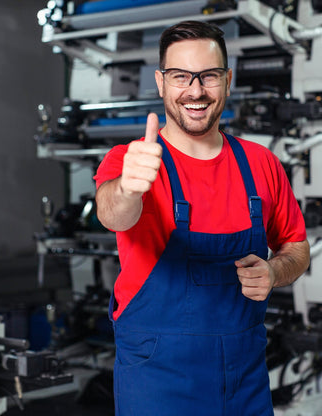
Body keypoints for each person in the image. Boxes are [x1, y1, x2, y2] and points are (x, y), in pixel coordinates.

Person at [94, 20, 310, 416]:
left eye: (208, 76)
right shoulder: (133, 161)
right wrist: (127, 188)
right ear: (161, 83)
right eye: (180, 77)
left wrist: (274, 273)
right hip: (159, 380)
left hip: (245, 378)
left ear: (227, 80)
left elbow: (296, 247)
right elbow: (113, 216)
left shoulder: (262, 164)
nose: (195, 91)